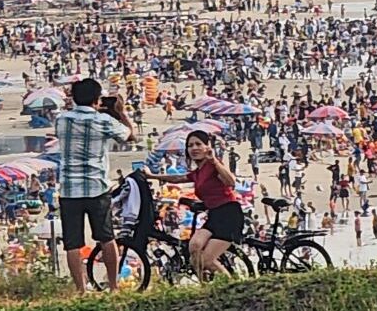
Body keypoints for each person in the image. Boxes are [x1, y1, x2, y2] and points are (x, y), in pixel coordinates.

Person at [56, 78, 133, 295]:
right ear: (97, 99)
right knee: (106, 237)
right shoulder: (103, 121)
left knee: (72, 243)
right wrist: (120, 112)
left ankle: (81, 290)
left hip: (69, 189)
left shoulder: (62, 120)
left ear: (73, 97)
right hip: (97, 187)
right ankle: (113, 287)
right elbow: (130, 136)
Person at [146, 129, 244, 280]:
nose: (194, 148)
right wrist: (152, 176)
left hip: (229, 215)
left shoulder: (213, 165)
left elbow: (231, 181)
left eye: (198, 144)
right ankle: (204, 286)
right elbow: (178, 178)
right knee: (194, 247)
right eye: (190, 145)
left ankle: (231, 286)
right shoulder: (198, 171)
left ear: (207, 146)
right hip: (214, 215)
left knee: (207, 260)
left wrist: (214, 160)